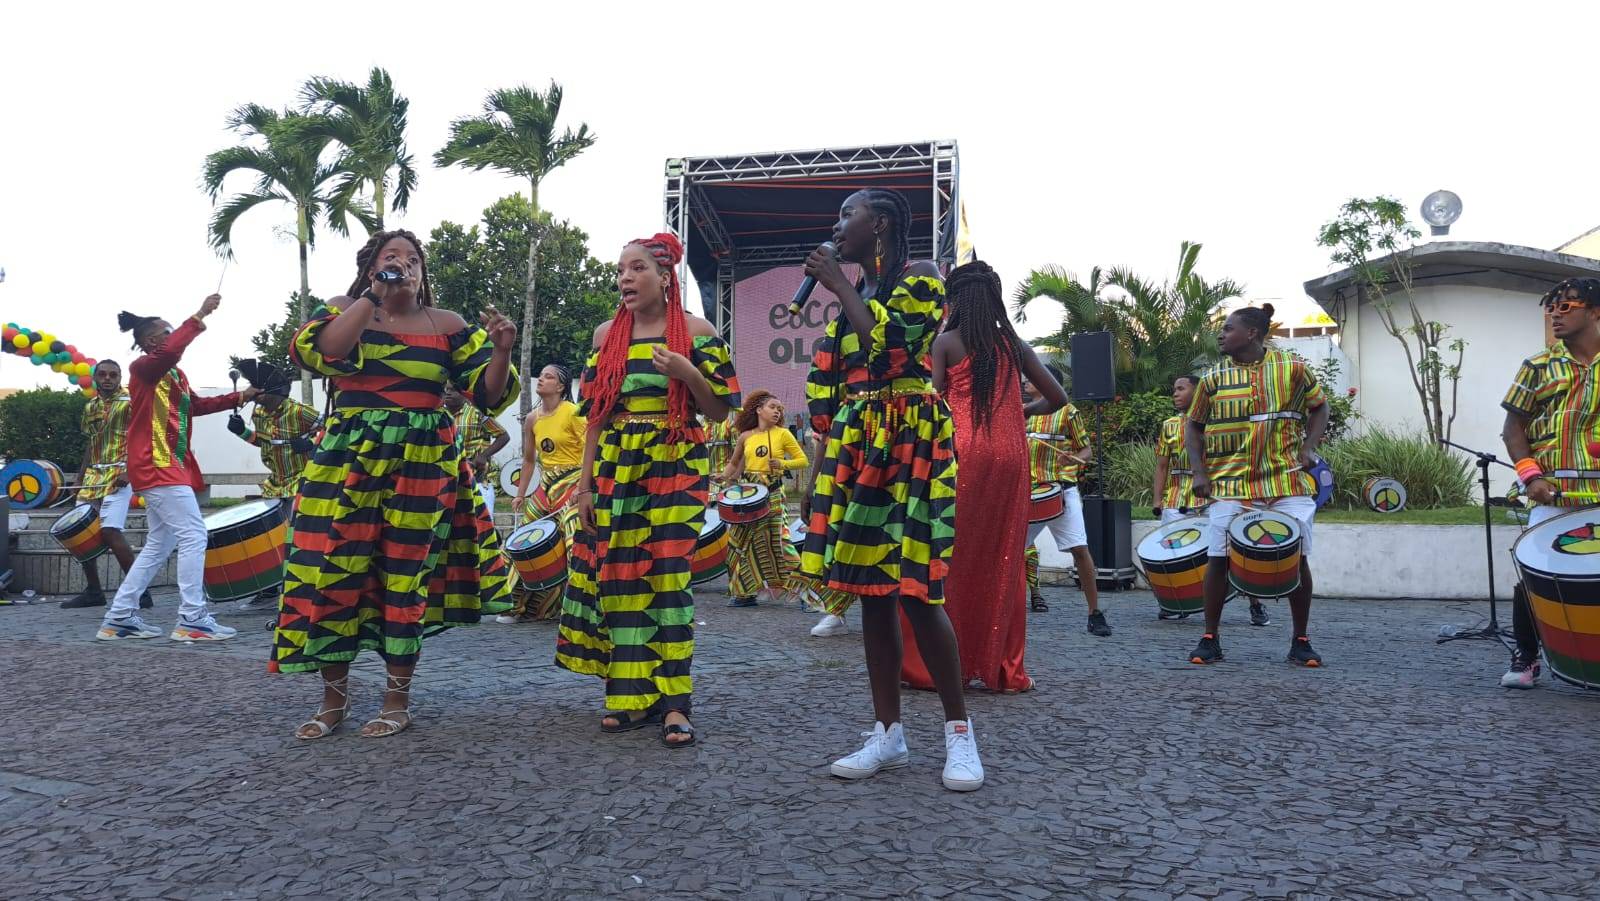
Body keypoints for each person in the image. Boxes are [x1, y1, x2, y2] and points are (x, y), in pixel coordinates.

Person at [270, 229, 519, 740]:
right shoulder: (345, 307)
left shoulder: (448, 325)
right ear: (369, 268)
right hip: (345, 464)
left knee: (403, 579)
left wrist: (501, 351)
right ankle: (333, 702)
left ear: (424, 272)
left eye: (413, 260)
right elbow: (324, 353)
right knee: (330, 574)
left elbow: (489, 398)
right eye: (391, 258)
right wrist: (373, 296)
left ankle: (395, 700)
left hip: (421, 467)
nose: (404, 266)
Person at [797, 188, 982, 791]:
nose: (836, 225)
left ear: (878, 224)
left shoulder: (922, 277)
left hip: (913, 440)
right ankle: (888, 734)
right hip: (858, 446)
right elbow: (829, 388)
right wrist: (820, 472)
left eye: (845, 214)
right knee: (871, 592)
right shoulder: (850, 302)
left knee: (917, 590)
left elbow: (893, 353)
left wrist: (840, 287)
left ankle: (959, 734)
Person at [554, 233, 739, 749]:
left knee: (669, 579)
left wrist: (687, 372)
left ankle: (676, 702)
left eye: (636, 269)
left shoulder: (698, 333)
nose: (625, 279)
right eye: (620, 271)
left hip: (676, 461)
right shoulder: (605, 336)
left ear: (664, 278)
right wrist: (584, 486)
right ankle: (630, 693)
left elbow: (722, 410)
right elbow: (594, 416)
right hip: (617, 464)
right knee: (620, 576)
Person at [900, 261, 1068, 693]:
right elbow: (1058, 397)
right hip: (1011, 458)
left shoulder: (945, 342)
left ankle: (932, 665)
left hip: (961, 454)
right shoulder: (1014, 345)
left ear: (953, 300)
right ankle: (1001, 668)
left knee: (945, 554)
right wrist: (1021, 411)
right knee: (1004, 558)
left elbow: (933, 400)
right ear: (994, 299)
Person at [94, 295, 252, 642]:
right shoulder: (142, 368)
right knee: (193, 534)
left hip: (166, 465)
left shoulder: (174, 375)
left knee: (160, 543)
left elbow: (194, 406)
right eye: (169, 331)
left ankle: (119, 617)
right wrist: (198, 316)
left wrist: (241, 397)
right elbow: (170, 352)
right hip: (156, 464)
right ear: (152, 341)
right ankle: (192, 618)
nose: (175, 335)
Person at [1185, 303, 1329, 667]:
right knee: (1218, 559)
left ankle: (1301, 640)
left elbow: (1320, 407)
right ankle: (1210, 638)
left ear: (1251, 333)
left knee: (1298, 558)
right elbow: (1193, 426)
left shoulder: (1293, 369)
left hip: (1286, 482)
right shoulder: (1213, 378)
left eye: (1228, 328)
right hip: (1229, 485)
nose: (1221, 334)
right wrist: (1199, 473)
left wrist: (1309, 446)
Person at [1499, 277, 1600, 688]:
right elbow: (1512, 429)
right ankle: (1527, 657)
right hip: (1552, 491)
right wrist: (1531, 476)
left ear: (1595, 311)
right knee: (1536, 575)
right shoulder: (1538, 366)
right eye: (1551, 308)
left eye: (1567, 306)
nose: (1556, 314)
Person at [1153, 375, 1270, 625]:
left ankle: (1255, 604)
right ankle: (1175, 602)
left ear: (1198, 393)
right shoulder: (1168, 425)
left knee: (1232, 551)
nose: (1175, 393)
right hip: (1177, 497)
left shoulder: (1217, 423)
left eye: (1181, 389)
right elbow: (1162, 466)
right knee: (1172, 554)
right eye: (1174, 389)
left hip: (1214, 495)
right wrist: (1157, 500)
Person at [1021, 365, 1111, 634]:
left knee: (1080, 550)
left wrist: (1075, 458)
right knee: (1012, 554)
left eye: (1032, 378)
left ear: (1048, 382)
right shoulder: (1018, 409)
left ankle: (1095, 612)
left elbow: (1086, 449)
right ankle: (1009, 615)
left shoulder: (1067, 411)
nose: (1026, 381)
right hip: (1027, 490)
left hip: (1061, 488)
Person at [226, 362, 320, 609]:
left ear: (275, 393)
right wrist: (242, 432)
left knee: (295, 537)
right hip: (274, 483)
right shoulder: (259, 414)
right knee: (267, 538)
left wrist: (311, 442)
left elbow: (332, 429)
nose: (254, 394)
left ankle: (300, 589)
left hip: (302, 479)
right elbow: (263, 442)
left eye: (259, 390)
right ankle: (268, 590)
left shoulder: (301, 412)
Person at [62, 359, 153, 611]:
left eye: (113, 374)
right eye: (102, 374)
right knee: (79, 532)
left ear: (120, 377)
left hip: (118, 474)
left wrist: (130, 470)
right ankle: (93, 591)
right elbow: (91, 444)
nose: (107, 379)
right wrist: (79, 479)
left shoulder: (131, 402)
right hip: (92, 476)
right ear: (95, 377)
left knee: (111, 530)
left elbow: (146, 438)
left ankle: (140, 591)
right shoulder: (90, 406)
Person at [505, 363, 586, 623]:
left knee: (574, 539)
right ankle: (515, 604)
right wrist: (520, 494)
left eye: (548, 377)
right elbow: (529, 461)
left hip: (573, 480)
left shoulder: (574, 412)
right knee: (522, 541)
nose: (540, 380)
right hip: (547, 485)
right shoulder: (532, 418)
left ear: (561, 386)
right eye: (540, 376)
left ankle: (579, 606)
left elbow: (590, 454)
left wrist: (583, 488)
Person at [718, 390, 807, 607]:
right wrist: (724, 475)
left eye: (780, 409)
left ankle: (806, 592)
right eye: (772, 407)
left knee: (780, 541)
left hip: (773, 494)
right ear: (759, 410)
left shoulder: (784, 434)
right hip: (747, 495)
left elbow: (802, 460)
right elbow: (734, 464)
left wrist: (783, 464)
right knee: (738, 543)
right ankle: (744, 593)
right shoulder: (745, 437)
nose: (777, 411)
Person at [445, 382, 509, 511]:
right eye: (446, 389)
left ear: (464, 394)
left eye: (453, 390)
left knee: (480, 526)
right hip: (446, 480)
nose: (448, 392)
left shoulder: (477, 413)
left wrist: (483, 456)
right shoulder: (439, 414)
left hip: (475, 480)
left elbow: (503, 436)